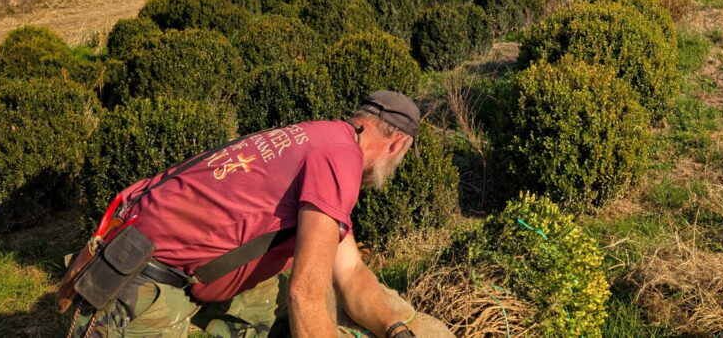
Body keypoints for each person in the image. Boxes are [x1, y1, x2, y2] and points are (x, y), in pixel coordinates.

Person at [61, 90, 454, 337]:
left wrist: (395, 327)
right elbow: (307, 294)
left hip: (179, 265)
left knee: (270, 300)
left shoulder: (325, 137)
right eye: (403, 157)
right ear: (397, 144)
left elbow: (349, 271)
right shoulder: (340, 159)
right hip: (138, 279)